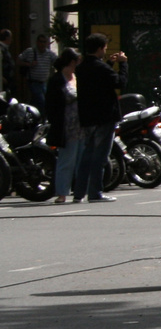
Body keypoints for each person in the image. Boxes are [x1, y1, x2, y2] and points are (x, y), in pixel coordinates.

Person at [73, 33, 127, 203]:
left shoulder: (81, 68)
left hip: (87, 117)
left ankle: (79, 193)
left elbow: (101, 77)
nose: (105, 51)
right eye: (104, 48)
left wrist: (110, 63)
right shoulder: (101, 68)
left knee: (86, 156)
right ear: (99, 49)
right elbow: (119, 82)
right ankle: (95, 192)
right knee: (100, 157)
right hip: (104, 116)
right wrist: (123, 64)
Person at [43, 48, 80, 204]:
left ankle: (79, 192)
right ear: (72, 62)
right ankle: (62, 193)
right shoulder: (57, 80)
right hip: (66, 126)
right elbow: (50, 104)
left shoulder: (77, 77)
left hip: (82, 125)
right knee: (66, 160)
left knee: (81, 160)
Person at [18, 33, 53, 109]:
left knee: (38, 101)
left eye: (44, 42)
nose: (42, 44)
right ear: (37, 42)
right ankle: (42, 117)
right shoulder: (30, 51)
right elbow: (18, 61)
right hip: (33, 82)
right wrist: (29, 64)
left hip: (43, 82)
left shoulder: (49, 54)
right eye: (41, 42)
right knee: (41, 101)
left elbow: (57, 61)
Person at [0, 28, 16, 100]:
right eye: (11, 37)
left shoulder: (5, 48)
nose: (11, 40)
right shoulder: (1, 49)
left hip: (8, 79)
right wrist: (1, 77)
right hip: (3, 80)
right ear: (7, 38)